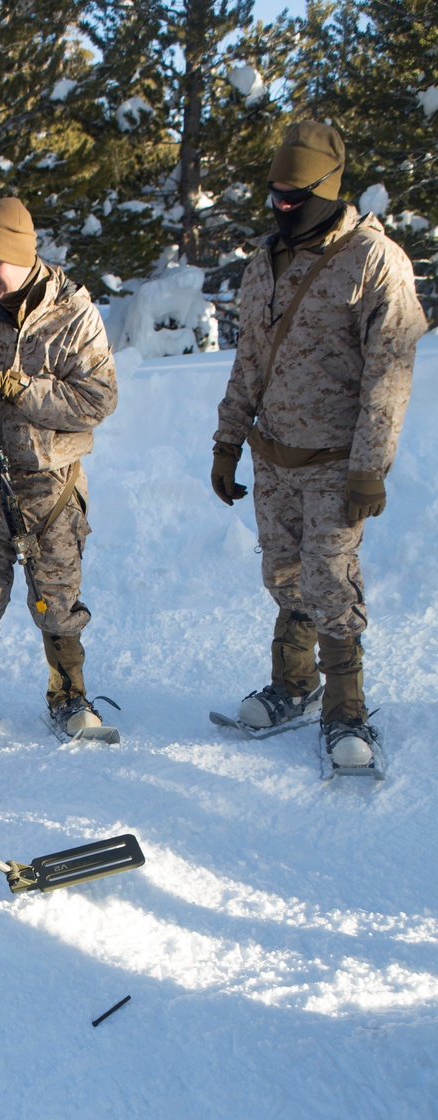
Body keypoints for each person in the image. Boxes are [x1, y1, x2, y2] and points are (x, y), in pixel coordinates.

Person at [212, 120, 427, 772]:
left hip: (337, 464)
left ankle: (346, 711)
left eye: (293, 197)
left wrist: (370, 469)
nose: (279, 208)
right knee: (283, 576)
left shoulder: (374, 263)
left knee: (331, 583)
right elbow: (248, 361)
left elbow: (388, 379)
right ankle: (294, 684)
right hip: (272, 455)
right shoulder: (262, 265)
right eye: (272, 195)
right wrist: (227, 441)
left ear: (328, 190)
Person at [0, 196, 118, 751]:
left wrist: (19, 390)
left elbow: (98, 399)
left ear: (22, 255)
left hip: (50, 488)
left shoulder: (74, 315)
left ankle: (69, 697)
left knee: (57, 598)